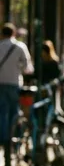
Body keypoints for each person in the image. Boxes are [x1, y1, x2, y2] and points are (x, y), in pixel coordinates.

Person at [0, 24, 33, 152]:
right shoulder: (20, 47)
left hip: (0, 83)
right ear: (13, 33)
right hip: (14, 83)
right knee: (14, 111)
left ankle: (3, 139)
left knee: (2, 111)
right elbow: (27, 67)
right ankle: (14, 138)